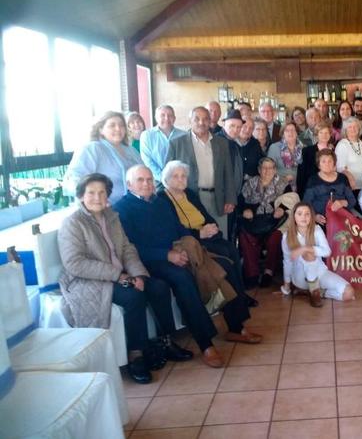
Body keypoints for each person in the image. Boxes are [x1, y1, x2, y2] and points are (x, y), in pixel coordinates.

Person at [114, 166, 257, 368]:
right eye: (140, 180)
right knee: (183, 279)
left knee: (225, 265)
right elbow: (131, 248)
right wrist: (167, 255)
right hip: (151, 262)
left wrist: (187, 245)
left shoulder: (159, 202)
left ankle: (236, 326)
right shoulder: (122, 209)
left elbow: (179, 228)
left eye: (148, 179)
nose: (146, 184)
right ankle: (206, 343)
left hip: (179, 251)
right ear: (129, 185)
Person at [58, 173, 192, 384]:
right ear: (81, 195)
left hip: (123, 274)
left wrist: (138, 273)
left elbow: (126, 248)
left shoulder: (111, 217)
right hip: (93, 280)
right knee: (133, 297)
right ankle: (136, 355)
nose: (97, 197)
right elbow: (75, 264)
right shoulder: (73, 223)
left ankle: (165, 341)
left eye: (102, 192)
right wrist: (119, 276)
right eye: (91, 192)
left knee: (158, 287)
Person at [158, 160, 255, 306]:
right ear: (166, 180)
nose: (181, 179)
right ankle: (237, 300)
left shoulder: (189, 193)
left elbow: (205, 214)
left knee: (232, 250)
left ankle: (240, 294)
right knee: (225, 254)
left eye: (183, 176)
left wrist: (213, 226)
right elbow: (174, 228)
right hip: (191, 240)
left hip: (206, 233)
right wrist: (199, 234)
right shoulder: (162, 199)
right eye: (176, 176)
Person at [166, 106, 236, 239]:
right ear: (189, 121)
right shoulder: (177, 143)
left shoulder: (222, 143)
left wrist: (230, 199)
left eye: (205, 119)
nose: (201, 122)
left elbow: (228, 173)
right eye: (196, 119)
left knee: (219, 238)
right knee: (196, 238)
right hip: (190, 198)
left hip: (218, 199)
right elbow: (168, 175)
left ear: (210, 121)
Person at [281, 203, 355, 307]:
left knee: (349, 293)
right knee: (309, 254)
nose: (304, 217)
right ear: (294, 216)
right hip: (300, 278)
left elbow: (327, 251)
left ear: (311, 216)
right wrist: (286, 287)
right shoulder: (286, 236)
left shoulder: (317, 230)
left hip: (320, 272)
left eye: (307, 214)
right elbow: (287, 262)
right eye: (300, 214)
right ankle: (314, 293)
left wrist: (305, 248)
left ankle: (319, 292)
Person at [65, 111, 143, 205]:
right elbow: (73, 178)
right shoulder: (92, 149)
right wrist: (93, 199)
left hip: (134, 207)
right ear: (101, 129)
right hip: (105, 211)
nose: (118, 128)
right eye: (112, 125)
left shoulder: (131, 150)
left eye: (121, 125)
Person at [238, 157, 290, 288]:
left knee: (276, 237)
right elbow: (241, 201)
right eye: (264, 168)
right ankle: (252, 273)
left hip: (274, 221)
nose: (267, 171)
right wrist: (246, 210)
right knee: (245, 236)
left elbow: (292, 199)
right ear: (259, 170)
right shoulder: (250, 183)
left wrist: (281, 209)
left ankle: (268, 271)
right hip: (254, 220)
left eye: (270, 167)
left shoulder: (283, 183)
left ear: (275, 169)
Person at [303, 149, 357, 226]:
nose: (327, 164)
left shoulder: (342, 178)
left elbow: (352, 200)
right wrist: (314, 216)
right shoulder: (313, 180)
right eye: (323, 161)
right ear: (319, 165)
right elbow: (306, 203)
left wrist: (342, 203)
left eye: (330, 161)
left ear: (334, 164)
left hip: (341, 218)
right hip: (321, 221)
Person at [140, 104, 187, 183]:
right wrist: (163, 178)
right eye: (162, 115)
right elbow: (147, 160)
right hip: (156, 182)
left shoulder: (184, 135)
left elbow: (186, 159)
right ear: (156, 118)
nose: (166, 118)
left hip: (179, 181)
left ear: (174, 118)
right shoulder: (147, 135)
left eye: (170, 115)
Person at [297, 121, 334, 197]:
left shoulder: (333, 151)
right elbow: (301, 175)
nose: (324, 135)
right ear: (316, 135)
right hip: (312, 191)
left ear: (330, 134)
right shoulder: (307, 151)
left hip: (331, 190)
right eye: (321, 132)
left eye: (326, 132)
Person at [334, 116, 362, 192]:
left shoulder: (360, 142)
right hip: (350, 186)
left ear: (359, 129)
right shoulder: (342, 145)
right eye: (350, 127)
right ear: (345, 130)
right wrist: (350, 177)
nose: (353, 129)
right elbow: (340, 167)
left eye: (355, 126)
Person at [267, 121, 302, 188]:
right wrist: (284, 178)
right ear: (283, 134)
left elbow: (306, 169)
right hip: (280, 184)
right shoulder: (274, 147)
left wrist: (294, 176)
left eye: (293, 130)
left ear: (297, 133)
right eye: (287, 130)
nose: (290, 133)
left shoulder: (303, 148)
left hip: (300, 183)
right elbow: (269, 169)